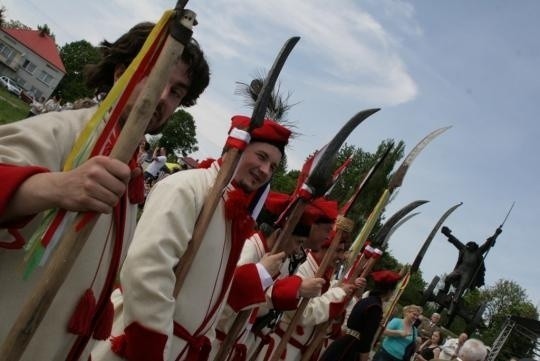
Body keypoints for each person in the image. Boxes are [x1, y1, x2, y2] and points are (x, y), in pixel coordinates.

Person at [0, 21, 210, 361]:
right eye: (156, 77)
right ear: (121, 73)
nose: (162, 97)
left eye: (177, 93)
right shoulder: (66, 130)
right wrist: (54, 187)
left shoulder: (131, 169)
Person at [89, 114, 292, 361]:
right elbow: (147, 270)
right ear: (236, 146)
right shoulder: (188, 187)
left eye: (272, 167)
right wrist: (153, 348)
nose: (264, 171)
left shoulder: (230, 211)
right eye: (261, 157)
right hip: (139, 347)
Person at [320, 270, 402, 361]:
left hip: (341, 343)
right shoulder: (376, 307)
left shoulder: (366, 300)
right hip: (351, 350)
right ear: (389, 290)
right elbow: (366, 341)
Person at [440, 226, 501, 300]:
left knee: (462, 286)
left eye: (472, 246)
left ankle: (455, 299)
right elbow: (455, 241)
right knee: (448, 278)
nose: (470, 247)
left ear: (475, 247)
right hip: (459, 270)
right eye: (469, 246)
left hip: (468, 273)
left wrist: (496, 234)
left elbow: (487, 244)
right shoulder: (464, 249)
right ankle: (445, 291)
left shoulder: (478, 252)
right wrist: (447, 234)